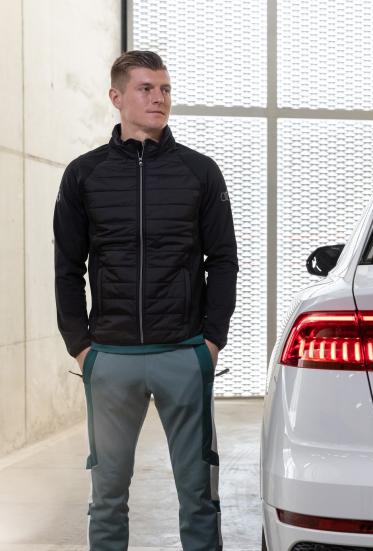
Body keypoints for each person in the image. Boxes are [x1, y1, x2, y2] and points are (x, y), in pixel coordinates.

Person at [53, 50, 238, 550]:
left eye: (165, 89)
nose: (159, 98)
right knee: (107, 497)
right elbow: (67, 268)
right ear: (116, 97)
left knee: (200, 495)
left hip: (183, 352)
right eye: (146, 88)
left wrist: (211, 342)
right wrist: (81, 348)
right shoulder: (83, 175)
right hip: (111, 358)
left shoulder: (200, 172)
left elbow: (223, 261)